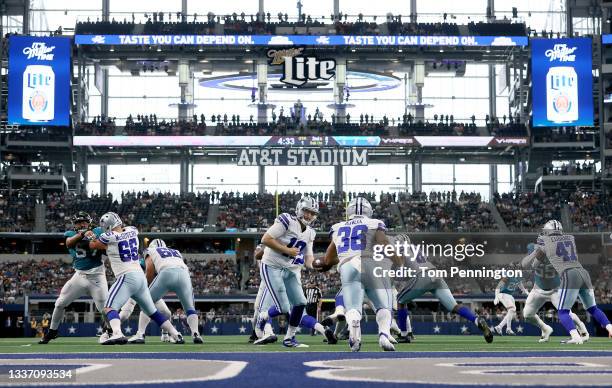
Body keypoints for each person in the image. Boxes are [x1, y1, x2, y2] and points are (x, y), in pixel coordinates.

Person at [521, 220, 612, 344]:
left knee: (564, 312)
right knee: (592, 308)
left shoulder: (544, 244)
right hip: (578, 273)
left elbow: (531, 264)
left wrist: (539, 250)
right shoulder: (570, 238)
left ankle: (578, 335)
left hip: (562, 280)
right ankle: (609, 327)